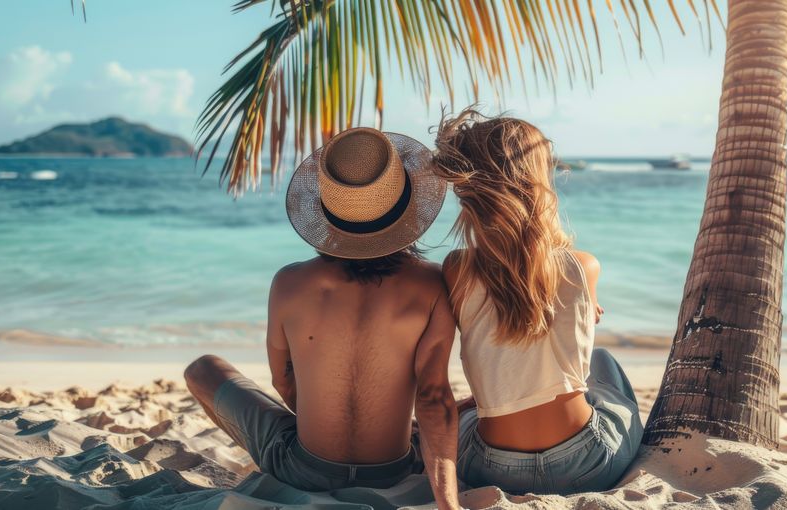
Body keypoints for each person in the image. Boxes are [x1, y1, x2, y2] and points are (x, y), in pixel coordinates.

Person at [183, 127, 461, 509]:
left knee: (202, 368)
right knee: (471, 407)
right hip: (394, 470)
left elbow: (284, 381)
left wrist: (328, 423)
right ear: (408, 209)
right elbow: (432, 396)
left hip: (302, 468)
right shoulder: (431, 284)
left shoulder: (289, 282)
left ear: (328, 213)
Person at [430, 109, 643, 495]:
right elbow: (565, 345)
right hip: (588, 464)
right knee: (603, 365)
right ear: (537, 182)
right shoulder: (583, 267)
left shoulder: (456, 270)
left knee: (470, 415)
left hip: (492, 468)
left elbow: (500, 344)